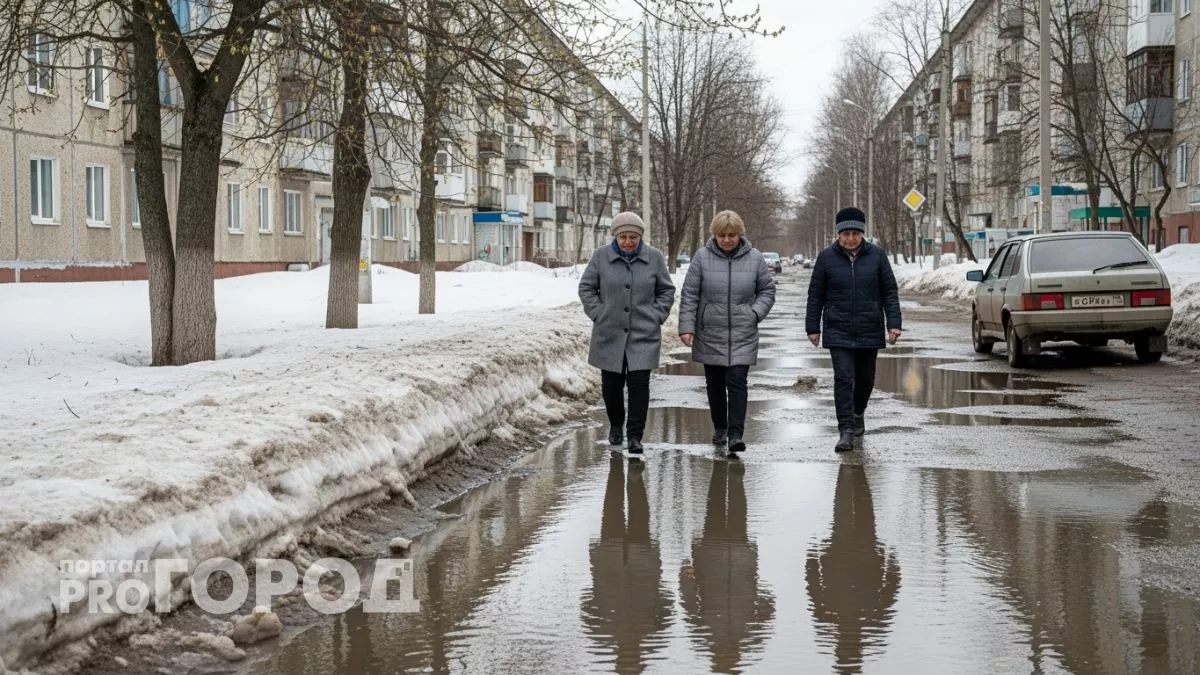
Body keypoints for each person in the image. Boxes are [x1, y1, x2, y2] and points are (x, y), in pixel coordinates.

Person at [678, 210, 776, 453]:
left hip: (743, 331)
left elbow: (767, 290)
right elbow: (690, 294)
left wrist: (754, 313)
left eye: (731, 235)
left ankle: (736, 434)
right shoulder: (701, 258)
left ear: (739, 234)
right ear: (715, 235)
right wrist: (687, 327)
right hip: (711, 330)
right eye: (722, 235)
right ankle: (720, 427)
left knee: (737, 381)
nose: (727, 240)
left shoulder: (755, 258)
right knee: (715, 383)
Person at [806, 207, 902, 453]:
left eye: (855, 233)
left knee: (865, 380)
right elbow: (815, 294)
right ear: (838, 234)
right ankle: (845, 430)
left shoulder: (878, 256)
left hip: (869, 327)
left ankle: (858, 412)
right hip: (838, 329)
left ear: (862, 233)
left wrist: (894, 323)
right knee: (843, 379)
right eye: (845, 233)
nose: (850, 238)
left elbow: (889, 292)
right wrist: (812, 327)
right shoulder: (826, 258)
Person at [579, 212, 676, 454]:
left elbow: (666, 290)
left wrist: (657, 315)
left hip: (643, 333)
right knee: (611, 386)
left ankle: (635, 436)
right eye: (623, 237)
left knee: (639, 385)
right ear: (615, 236)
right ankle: (615, 425)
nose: (628, 242)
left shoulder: (654, 258)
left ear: (640, 237)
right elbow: (587, 288)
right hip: (609, 332)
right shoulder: (601, 257)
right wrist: (599, 313)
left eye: (633, 237)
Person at [805, 464, 901, 671]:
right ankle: (853, 471)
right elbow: (890, 592)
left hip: (847, 553)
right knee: (853, 508)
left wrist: (812, 561)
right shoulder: (871, 622)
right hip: (860, 554)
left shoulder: (832, 620)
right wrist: (893, 567)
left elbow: (814, 589)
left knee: (850, 508)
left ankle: (850, 471)